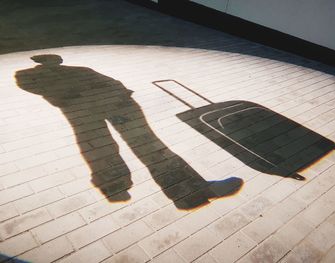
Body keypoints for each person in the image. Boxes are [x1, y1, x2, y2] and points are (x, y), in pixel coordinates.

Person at [15, 54, 242, 210]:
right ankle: (118, 186)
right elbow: (34, 87)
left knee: (147, 145)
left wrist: (120, 93)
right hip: (87, 108)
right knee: (105, 148)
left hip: (116, 103)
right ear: (43, 62)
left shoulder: (76, 70)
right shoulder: (28, 75)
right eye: (52, 59)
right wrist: (73, 97)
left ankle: (191, 192)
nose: (56, 61)